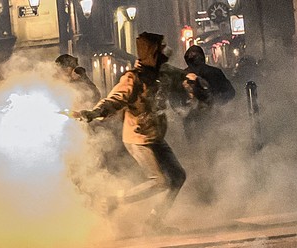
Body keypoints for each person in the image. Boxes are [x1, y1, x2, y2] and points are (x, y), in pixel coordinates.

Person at [74, 32, 208, 234]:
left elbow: (181, 75)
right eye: (160, 48)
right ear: (152, 52)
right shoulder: (133, 78)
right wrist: (93, 113)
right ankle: (112, 201)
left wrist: (191, 79)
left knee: (178, 177)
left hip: (155, 135)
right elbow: (114, 100)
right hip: (137, 137)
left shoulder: (163, 72)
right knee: (159, 181)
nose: (165, 52)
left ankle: (153, 222)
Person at [182, 45, 236, 142]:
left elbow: (175, 99)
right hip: (213, 117)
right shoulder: (215, 72)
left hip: (192, 119)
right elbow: (230, 92)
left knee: (195, 146)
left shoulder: (182, 75)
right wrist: (217, 101)